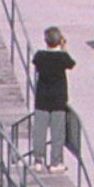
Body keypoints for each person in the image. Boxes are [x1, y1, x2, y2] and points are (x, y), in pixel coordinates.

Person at [32, 27, 75, 172]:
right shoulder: (63, 58)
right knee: (58, 133)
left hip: (42, 98)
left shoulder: (40, 56)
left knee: (39, 131)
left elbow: (35, 63)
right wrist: (64, 47)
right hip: (58, 99)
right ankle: (56, 163)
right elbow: (71, 64)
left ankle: (38, 160)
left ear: (46, 41)